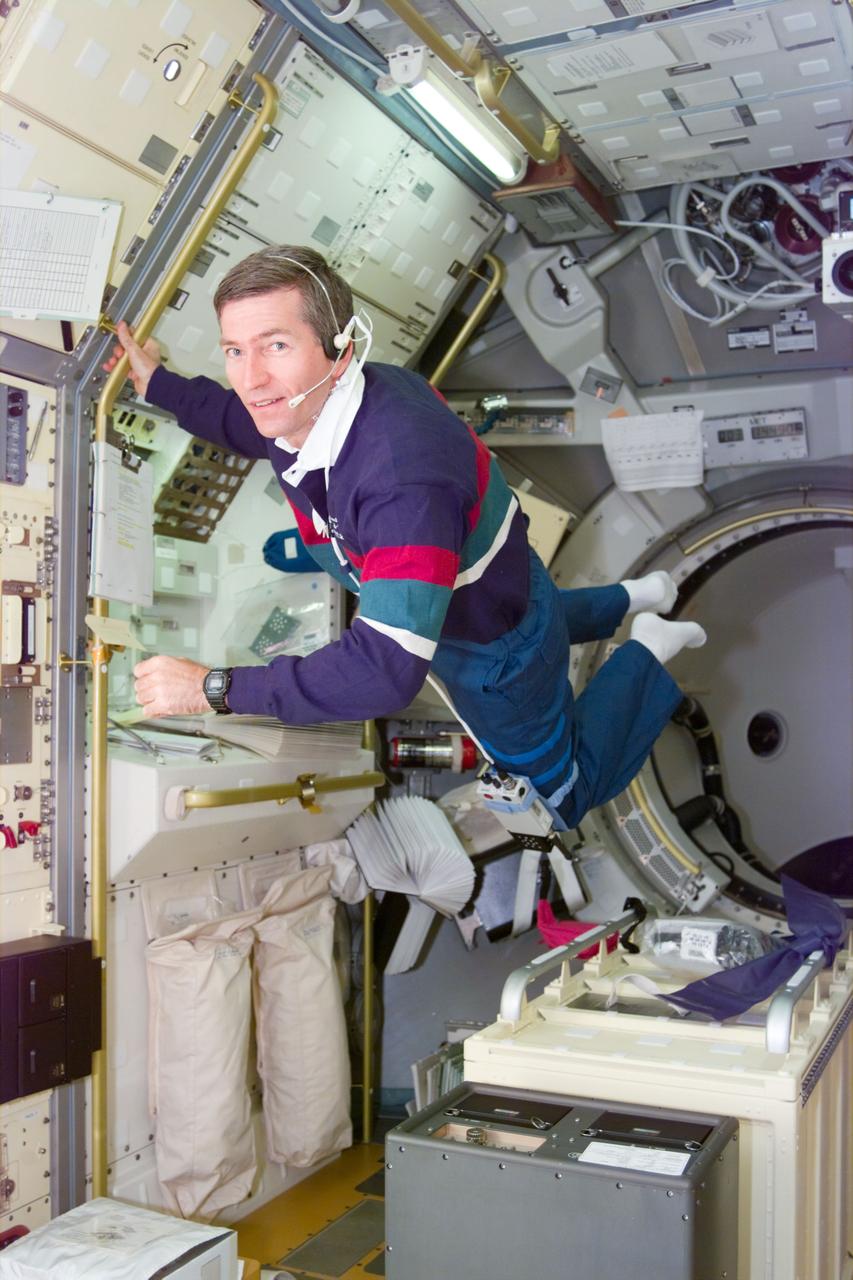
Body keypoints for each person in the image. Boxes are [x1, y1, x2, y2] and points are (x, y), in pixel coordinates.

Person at [106, 244, 705, 831]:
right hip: (500, 584)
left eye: (276, 346)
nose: (251, 378)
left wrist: (214, 688)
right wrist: (156, 382)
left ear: (340, 352)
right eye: (235, 350)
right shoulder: (315, 400)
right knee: (540, 612)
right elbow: (244, 419)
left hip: (493, 651)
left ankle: (650, 644)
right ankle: (640, 594)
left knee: (562, 798)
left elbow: (385, 671)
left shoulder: (402, 477)